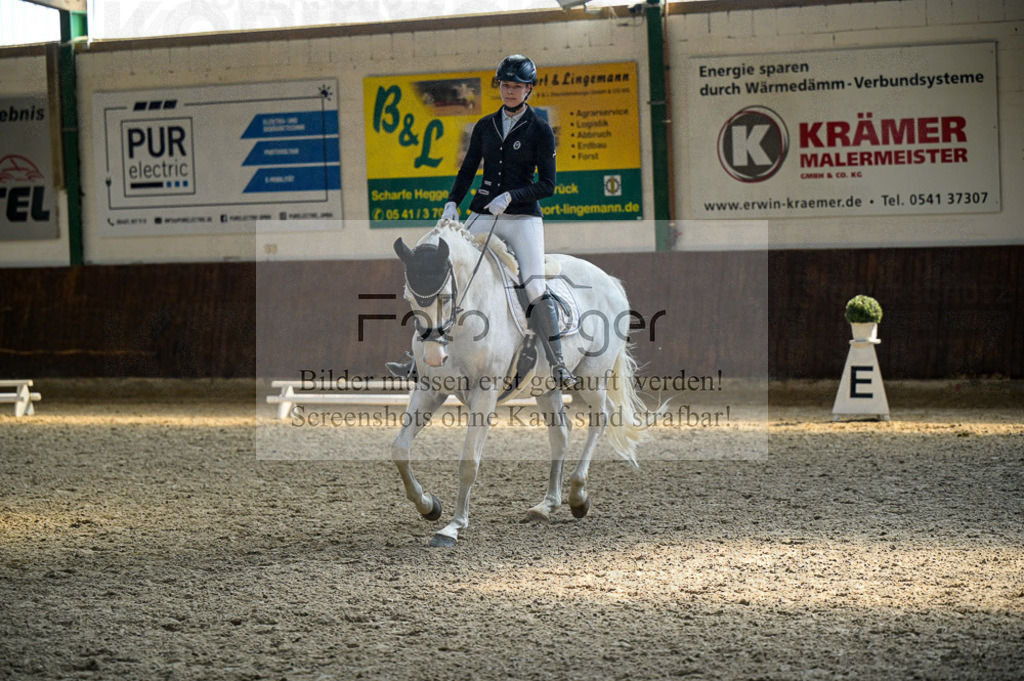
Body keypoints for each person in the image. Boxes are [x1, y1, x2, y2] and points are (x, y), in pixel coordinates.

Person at [388, 54, 577, 390]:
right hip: (484, 211)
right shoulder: (484, 126)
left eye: (517, 86)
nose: (510, 91)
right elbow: (467, 170)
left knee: (533, 285)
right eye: (505, 85)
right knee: (440, 267)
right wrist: (451, 203)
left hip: (521, 218)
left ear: (528, 89)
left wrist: (513, 196)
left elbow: (548, 185)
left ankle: (559, 361)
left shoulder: (540, 129)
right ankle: (418, 358)